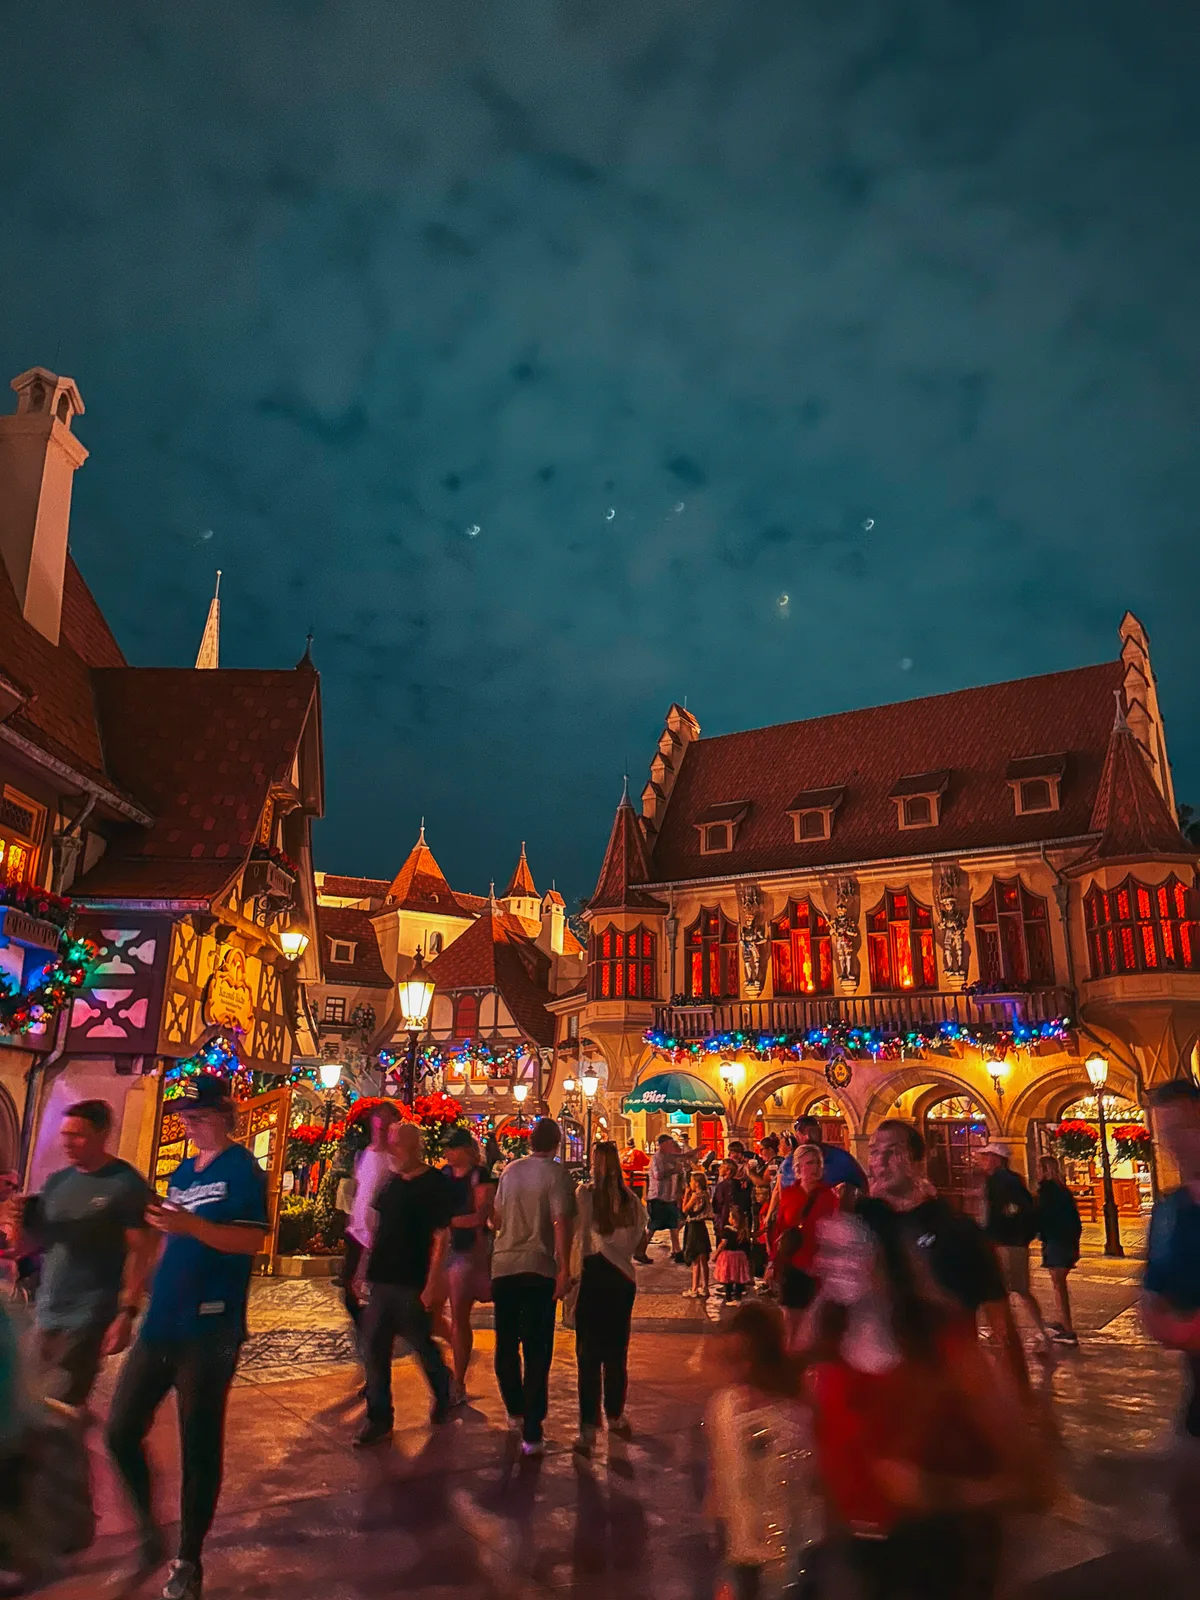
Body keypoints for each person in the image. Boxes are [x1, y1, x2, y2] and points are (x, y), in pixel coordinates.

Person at [105, 1076, 269, 1600]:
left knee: (198, 1443)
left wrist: (191, 1227)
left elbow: (250, 1240)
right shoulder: (181, 1171)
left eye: (197, 1116)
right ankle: (150, 1529)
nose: (188, 1125)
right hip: (162, 1324)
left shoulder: (242, 1169)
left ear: (224, 1116)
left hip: (210, 1329)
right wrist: (132, 1300)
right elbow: (165, 1239)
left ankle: (188, 1559)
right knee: (119, 1430)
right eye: (184, 1117)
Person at [808, 1212, 1021, 1600]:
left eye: (846, 1251)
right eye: (826, 1250)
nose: (825, 1264)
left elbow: (1028, 1480)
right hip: (856, 1557)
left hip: (934, 1555)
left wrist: (936, 1492)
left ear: (885, 1259)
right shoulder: (831, 1347)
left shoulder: (943, 1347)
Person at [858, 1122, 1028, 1394]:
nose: (881, 1161)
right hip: (874, 1391)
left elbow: (1001, 1323)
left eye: (893, 1152)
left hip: (942, 1387)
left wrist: (1021, 1396)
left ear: (917, 1163)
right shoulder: (857, 1225)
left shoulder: (955, 1230)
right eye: (875, 1152)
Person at [8, 1100, 156, 1409]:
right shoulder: (59, 1182)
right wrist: (18, 1222)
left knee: (60, 1406)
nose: (67, 1143)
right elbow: (34, 1245)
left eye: (78, 1135)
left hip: (88, 1316)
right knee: (28, 1405)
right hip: (47, 1311)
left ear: (103, 1134)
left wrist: (126, 1314)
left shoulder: (125, 1185)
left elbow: (140, 1252)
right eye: (65, 1135)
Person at [705, 1301, 816, 1600]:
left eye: (739, 1358)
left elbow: (802, 1490)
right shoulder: (724, 1407)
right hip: (742, 1551)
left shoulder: (791, 1417)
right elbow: (721, 1475)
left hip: (781, 1558)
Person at [353, 1120, 454, 1444]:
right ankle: (379, 1417)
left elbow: (441, 1236)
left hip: (412, 1278)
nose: (391, 1149)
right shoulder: (391, 1183)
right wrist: (362, 1269)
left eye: (396, 1143)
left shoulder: (433, 1183)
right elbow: (376, 1229)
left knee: (420, 1341)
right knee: (375, 1348)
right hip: (382, 1277)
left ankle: (443, 1387)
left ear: (412, 1145)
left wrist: (433, 1282)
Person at [490, 1116, 575, 1455]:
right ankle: (532, 1428)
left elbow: (496, 1217)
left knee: (506, 1342)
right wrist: (564, 1267)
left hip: (504, 1265)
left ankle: (514, 1407)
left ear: (530, 1142)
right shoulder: (556, 1174)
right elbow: (561, 1221)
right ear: (556, 1144)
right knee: (537, 1348)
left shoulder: (510, 1171)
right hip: (538, 1266)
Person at [1141, 1077, 1200, 1554]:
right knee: (1184, 1500)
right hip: (1198, 1384)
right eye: (1166, 1133)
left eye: (1183, 1128)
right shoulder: (1170, 1210)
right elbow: (1152, 1289)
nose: (1174, 1143)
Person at [571, 1141, 646, 1457]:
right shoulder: (631, 1201)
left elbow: (576, 1233)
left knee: (588, 1355)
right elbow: (640, 1240)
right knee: (617, 1351)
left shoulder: (584, 1195)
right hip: (622, 1278)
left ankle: (588, 1426)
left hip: (592, 1275)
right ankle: (615, 1413)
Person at [443, 1128, 496, 1404]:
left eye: (452, 1148)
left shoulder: (479, 1176)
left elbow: (480, 1217)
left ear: (466, 1150)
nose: (447, 1153)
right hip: (447, 1249)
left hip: (470, 1251)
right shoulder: (444, 1175)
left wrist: (447, 1221)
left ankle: (458, 1379)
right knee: (447, 1316)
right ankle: (453, 1373)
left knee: (460, 1316)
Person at [977, 1144, 1046, 1341]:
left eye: (987, 1157)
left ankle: (1008, 1330)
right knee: (1013, 1289)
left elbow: (1013, 1210)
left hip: (1006, 1242)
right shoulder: (1007, 1180)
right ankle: (1025, 1329)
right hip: (1009, 1241)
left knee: (1007, 1289)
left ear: (997, 1159)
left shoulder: (1002, 1181)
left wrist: (1001, 1230)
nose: (983, 1161)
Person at [341, 1102, 399, 1333]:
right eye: (379, 1118)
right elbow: (361, 1188)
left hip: (380, 1232)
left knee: (374, 1285)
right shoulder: (364, 1154)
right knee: (349, 1284)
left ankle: (379, 1328)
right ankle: (367, 1326)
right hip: (357, 1229)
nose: (382, 1124)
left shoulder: (395, 1159)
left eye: (387, 1119)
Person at [772, 1144, 838, 1346]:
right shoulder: (789, 1194)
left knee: (813, 1323)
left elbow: (835, 1232)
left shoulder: (829, 1196)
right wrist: (773, 1262)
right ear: (798, 1168)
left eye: (818, 1162)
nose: (815, 1167)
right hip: (791, 1264)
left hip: (817, 1266)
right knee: (789, 1319)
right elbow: (780, 1229)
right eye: (810, 1163)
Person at [1035, 1154, 1082, 1346]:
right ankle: (1063, 1321)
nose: (1036, 1172)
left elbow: (1043, 1217)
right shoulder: (1063, 1191)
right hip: (1066, 1241)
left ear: (1045, 1170)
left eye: (1039, 1168)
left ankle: (1068, 1329)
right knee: (1059, 1284)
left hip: (1056, 1241)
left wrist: (1040, 1233)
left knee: (1059, 1285)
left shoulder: (1047, 1192)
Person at [646, 1135, 685, 1263]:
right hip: (658, 1197)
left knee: (673, 1224)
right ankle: (640, 1251)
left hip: (670, 1198)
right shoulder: (657, 1158)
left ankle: (677, 1251)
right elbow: (658, 1175)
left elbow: (679, 1179)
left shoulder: (671, 1160)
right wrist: (674, 1170)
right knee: (653, 1226)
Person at [681, 1170, 714, 1299]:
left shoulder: (695, 1196)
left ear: (697, 1183)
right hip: (702, 1226)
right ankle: (705, 1287)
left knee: (695, 1258)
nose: (690, 1184)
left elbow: (685, 1209)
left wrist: (686, 1194)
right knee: (703, 1258)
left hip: (694, 1226)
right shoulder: (706, 1194)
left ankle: (694, 1288)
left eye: (691, 1181)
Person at [713, 1206, 753, 1303]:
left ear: (733, 1219)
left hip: (728, 1257)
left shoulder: (727, 1230)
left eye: (730, 1216)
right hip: (740, 1257)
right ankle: (738, 1297)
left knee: (728, 1277)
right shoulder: (744, 1231)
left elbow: (723, 1244)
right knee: (739, 1277)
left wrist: (715, 1255)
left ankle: (729, 1297)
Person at [712, 1158, 755, 1237]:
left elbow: (717, 1204)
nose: (719, 1168)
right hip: (737, 1217)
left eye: (721, 1167)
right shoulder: (739, 1184)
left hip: (724, 1217)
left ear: (728, 1171)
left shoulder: (722, 1186)